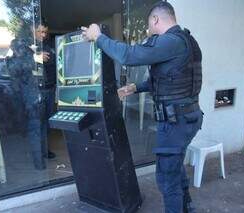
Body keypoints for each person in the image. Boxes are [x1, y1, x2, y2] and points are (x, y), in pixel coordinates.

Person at [82, 2, 203, 213]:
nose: (148, 28)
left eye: (149, 23)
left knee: (167, 179)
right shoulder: (187, 40)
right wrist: (135, 87)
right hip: (188, 117)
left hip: (176, 122)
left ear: (156, 19)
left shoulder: (170, 41)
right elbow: (169, 79)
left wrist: (98, 37)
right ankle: (188, 207)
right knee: (174, 166)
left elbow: (129, 56)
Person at [6, 38, 47, 170]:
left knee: (40, 128)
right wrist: (36, 57)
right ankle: (39, 163)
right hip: (27, 101)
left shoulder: (26, 57)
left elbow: (39, 71)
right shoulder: (12, 62)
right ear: (15, 49)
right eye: (21, 48)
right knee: (34, 131)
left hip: (36, 98)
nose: (24, 51)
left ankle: (42, 156)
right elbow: (21, 68)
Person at [32, 22, 57, 159]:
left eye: (45, 32)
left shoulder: (48, 47)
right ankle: (37, 152)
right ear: (33, 30)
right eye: (40, 31)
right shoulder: (26, 46)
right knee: (37, 123)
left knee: (47, 123)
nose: (43, 35)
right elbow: (13, 63)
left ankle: (44, 150)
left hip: (50, 90)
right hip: (36, 92)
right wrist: (36, 57)